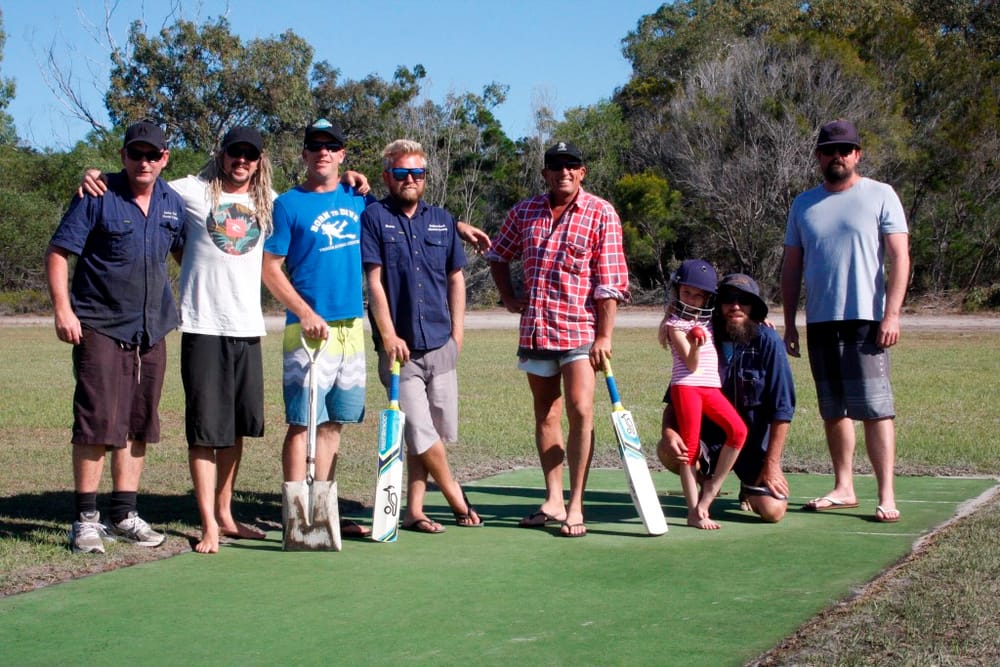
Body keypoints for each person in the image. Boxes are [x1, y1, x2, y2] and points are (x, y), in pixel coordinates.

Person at [78, 127, 369, 553]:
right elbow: (144, 176)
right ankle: (209, 524)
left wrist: (351, 178)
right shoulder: (192, 192)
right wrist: (97, 174)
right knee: (205, 432)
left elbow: (317, 196)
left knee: (236, 431)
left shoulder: (272, 202)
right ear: (222, 153)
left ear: (259, 159)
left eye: (250, 155)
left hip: (248, 328)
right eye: (235, 152)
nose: (242, 161)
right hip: (202, 326)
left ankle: (227, 514)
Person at [45, 121, 185, 553]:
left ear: (164, 158)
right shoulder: (97, 195)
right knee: (96, 424)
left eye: (152, 155)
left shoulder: (173, 203)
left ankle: (125, 514)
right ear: (123, 156)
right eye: (135, 154)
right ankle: (86, 520)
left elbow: (189, 252)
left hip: (152, 330)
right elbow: (58, 252)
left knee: (138, 425)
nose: (143, 162)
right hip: (100, 325)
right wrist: (63, 309)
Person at [487, 141, 630, 538]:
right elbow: (498, 255)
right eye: (555, 166)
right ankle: (552, 498)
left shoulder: (601, 212)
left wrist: (605, 335)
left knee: (581, 410)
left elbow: (611, 282)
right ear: (545, 173)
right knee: (546, 414)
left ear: (582, 172)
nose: (563, 172)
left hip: (580, 331)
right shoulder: (525, 211)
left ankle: (576, 503)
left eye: (571, 166)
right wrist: (508, 296)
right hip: (536, 329)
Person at [781, 119, 909, 523]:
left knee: (875, 409)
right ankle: (844, 486)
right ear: (819, 156)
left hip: (866, 321)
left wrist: (891, 314)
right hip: (821, 320)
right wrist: (789, 323)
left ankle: (886, 494)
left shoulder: (880, 195)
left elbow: (899, 257)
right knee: (833, 409)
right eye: (829, 150)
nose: (837, 156)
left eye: (845, 149)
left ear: (857, 154)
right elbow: (791, 267)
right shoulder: (804, 204)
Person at [261, 118, 376, 538]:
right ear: (305, 154)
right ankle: (296, 518)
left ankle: (321, 515)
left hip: (350, 329)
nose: (322, 153)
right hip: (307, 330)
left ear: (342, 154)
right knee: (302, 423)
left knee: (332, 426)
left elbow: (402, 223)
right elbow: (270, 269)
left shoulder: (358, 197)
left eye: (331, 147)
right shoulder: (289, 204)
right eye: (315, 146)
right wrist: (304, 311)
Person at [361, 139, 483, 533]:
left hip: (441, 345)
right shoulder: (375, 218)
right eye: (401, 173)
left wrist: (458, 334)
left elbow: (455, 279)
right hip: (400, 353)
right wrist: (388, 334)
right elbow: (375, 283)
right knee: (418, 428)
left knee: (431, 435)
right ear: (387, 176)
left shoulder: (443, 221)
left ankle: (414, 511)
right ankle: (456, 499)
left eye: (417, 173)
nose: (410, 179)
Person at [658, 273, 796, 524]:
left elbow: (782, 408)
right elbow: (677, 392)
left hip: (752, 447)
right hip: (710, 442)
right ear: (718, 305)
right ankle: (707, 483)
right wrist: (668, 431)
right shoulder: (704, 336)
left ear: (753, 307)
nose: (735, 306)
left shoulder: (768, 341)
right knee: (669, 449)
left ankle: (748, 485)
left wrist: (772, 464)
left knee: (772, 511)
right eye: (729, 300)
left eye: (744, 301)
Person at [658, 259, 747, 529]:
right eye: (687, 293)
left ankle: (709, 494)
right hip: (686, 387)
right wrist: (695, 344)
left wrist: (759, 318)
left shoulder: (708, 320)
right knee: (690, 450)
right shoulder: (675, 325)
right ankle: (693, 511)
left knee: (739, 431)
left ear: (707, 297)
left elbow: (738, 320)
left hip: (710, 387)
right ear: (677, 291)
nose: (693, 299)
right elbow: (691, 363)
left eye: (699, 295)